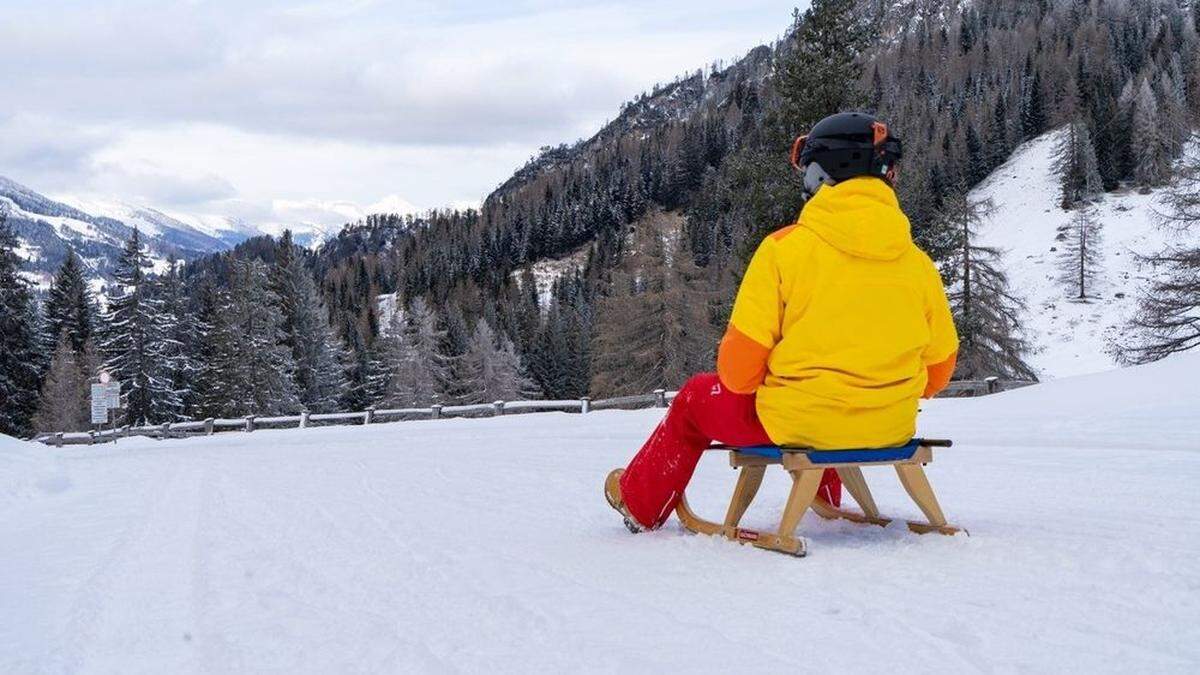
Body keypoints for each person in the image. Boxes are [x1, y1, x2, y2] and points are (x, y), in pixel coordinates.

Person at [605, 112, 959, 532]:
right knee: (816, 400)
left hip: (798, 424)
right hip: (891, 425)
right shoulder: (917, 263)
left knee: (695, 398)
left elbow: (737, 374)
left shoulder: (784, 249)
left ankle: (640, 501)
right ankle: (825, 498)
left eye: (809, 173)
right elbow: (938, 373)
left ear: (828, 173)